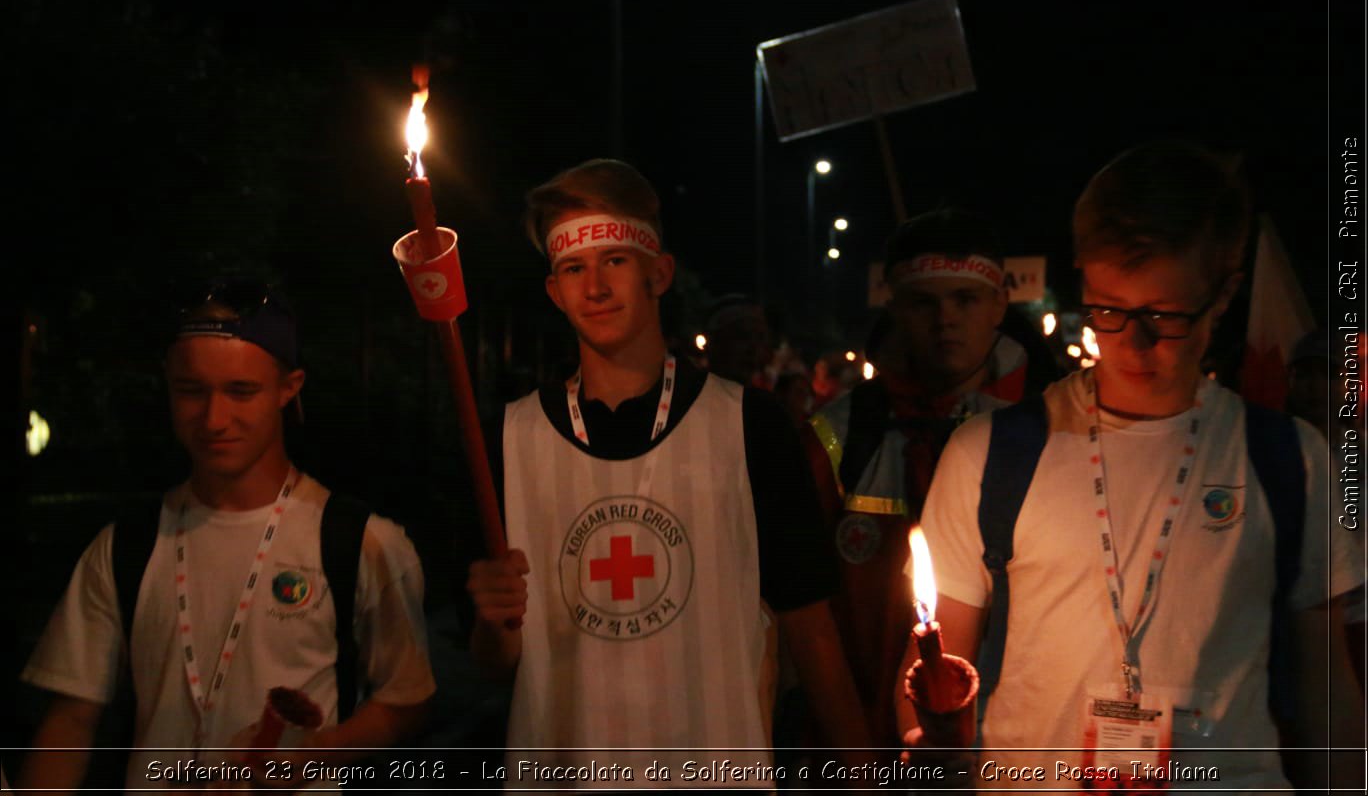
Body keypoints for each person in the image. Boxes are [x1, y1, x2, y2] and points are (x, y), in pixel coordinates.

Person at [898, 141, 1364, 788]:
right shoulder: (992, 454)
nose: (1131, 343)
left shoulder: (1289, 459)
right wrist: (935, 737)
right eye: (1110, 309)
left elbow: (1328, 700)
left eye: (1164, 316)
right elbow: (931, 673)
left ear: (1224, 294)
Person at [464, 159, 872, 780]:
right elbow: (497, 663)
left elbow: (810, 628)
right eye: (574, 267)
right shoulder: (508, 437)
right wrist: (493, 624)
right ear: (554, 290)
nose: (595, 287)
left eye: (616, 261)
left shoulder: (750, 425)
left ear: (659, 273)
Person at [17, 279, 436, 792]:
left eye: (242, 391)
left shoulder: (359, 541)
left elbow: (409, 697)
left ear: (290, 387)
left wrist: (320, 753)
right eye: (192, 391)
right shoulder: (126, 546)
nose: (214, 419)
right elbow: (71, 722)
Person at [800, 208, 1054, 746]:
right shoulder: (840, 435)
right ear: (894, 307)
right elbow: (801, 611)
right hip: (867, 746)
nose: (945, 320)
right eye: (923, 302)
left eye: (965, 299)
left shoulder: (1054, 426)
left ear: (999, 304)